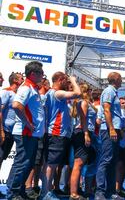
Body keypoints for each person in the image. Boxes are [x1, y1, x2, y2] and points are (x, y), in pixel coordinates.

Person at [7, 61, 45, 200]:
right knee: (22, 163)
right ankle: (13, 193)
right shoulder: (26, 88)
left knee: (27, 163)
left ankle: (20, 191)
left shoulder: (33, 88)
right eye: (41, 73)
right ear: (33, 74)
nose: (43, 75)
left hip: (32, 133)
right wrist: (28, 123)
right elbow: (16, 105)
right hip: (25, 133)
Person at [42, 72, 81, 200]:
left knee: (51, 164)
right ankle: (46, 192)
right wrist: (74, 80)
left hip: (56, 133)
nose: (68, 83)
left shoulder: (52, 93)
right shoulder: (57, 93)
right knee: (51, 165)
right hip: (56, 132)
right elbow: (77, 93)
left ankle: (47, 191)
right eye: (66, 81)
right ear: (60, 79)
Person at [95, 72, 124, 200]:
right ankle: (99, 192)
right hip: (108, 130)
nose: (122, 80)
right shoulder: (108, 91)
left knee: (112, 161)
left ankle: (110, 192)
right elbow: (106, 110)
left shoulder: (114, 92)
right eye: (121, 78)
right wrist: (111, 128)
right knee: (106, 160)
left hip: (115, 129)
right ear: (116, 79)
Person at [70, 83, 97, 200]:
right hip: (82, 132)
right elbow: (83, 118)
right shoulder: (83, 102)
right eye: (90, 89)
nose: (92, 91)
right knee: (78, 163)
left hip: (86, 131)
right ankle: (73, 193)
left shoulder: (84, 102)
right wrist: (86, 134)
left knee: (85, 162)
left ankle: (83, 190)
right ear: (86, 91)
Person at [0, 72, 24, 169]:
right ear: (15, 80)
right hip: (4, 130)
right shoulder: (6, 92)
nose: (23, 80)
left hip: (11, 132)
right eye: (21, 78)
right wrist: (1, 131)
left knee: (2, 157)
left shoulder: (18, 94)